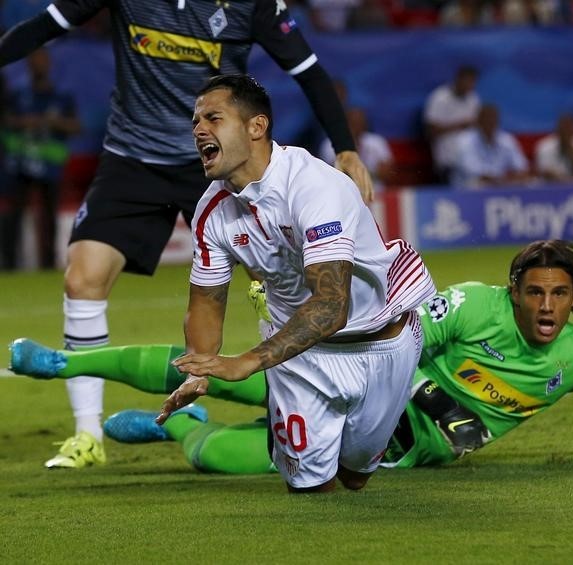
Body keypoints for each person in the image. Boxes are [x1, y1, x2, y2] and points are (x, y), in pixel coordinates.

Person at [0, 0, 373, 469]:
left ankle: (314, 384)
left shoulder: (250, 5)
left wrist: (346, 148)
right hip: (132, 158)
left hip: (220, 164)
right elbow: (43, 27)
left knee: (289, 283)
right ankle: (87, 433)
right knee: (82, 279)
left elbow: (309, 70)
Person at [10, 240, 573, 475]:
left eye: (559, 294)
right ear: (514, 289)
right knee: (226, 366)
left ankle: (168, 429)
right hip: (363, 391)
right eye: (534, 291)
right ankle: (64, 363)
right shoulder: (473, 305)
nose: (545, 306)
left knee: (215, 458)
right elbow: (405, 338)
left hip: (389, 452)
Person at [160, 73, 436, 492]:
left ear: (256, 127)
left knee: (356, 475)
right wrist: (199, 366)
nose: (199, 130)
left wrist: (246, 362)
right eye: (195, 122)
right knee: (310, 485)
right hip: (296, 355)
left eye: (213, 118)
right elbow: (207, 302)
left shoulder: (315, 186)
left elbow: (330, 306)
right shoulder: (211, 211)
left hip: (382, 343)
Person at [1, 47, 80, 270]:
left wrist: (55, 123)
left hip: (49, 163)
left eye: (42, 59)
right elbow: (6, 121)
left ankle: (48, 262)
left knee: (48, 215)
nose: (39, 64)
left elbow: (76, 126)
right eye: (34, 59)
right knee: (13, 213)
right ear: (28, 64)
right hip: (20, 160)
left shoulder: (61, 96)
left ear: (49, 63)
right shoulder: (17, 94)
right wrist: (25, 122)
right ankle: (9, 263)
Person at [423, 65, 481, 184]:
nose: (470, 85)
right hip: (447, 161)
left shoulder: (473, 99)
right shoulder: (439, 98)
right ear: (458, 79)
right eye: (467, 81)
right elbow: (430, 131)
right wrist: (460, 125)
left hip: (471, 163)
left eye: (473, 82)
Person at [449, 103, 530, 189]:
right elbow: (473, 172)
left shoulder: (506, 140)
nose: (490, 123)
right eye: (486, 120)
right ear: (478, 121)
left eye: (493, 120)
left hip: (499, 185)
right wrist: (501, 180)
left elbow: (522, 167)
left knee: (531, 183)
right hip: (467, 189)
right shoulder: (464, 140)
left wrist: (516, 177)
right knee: (476, 183)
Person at [319, 107, 394, 191]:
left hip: (375, 193)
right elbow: (332, 174)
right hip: (344, 191)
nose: (357, 127)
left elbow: (387, 174)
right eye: (353, 123)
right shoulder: (329, 145)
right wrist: (372, 173)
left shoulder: (377, 142)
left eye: (360, 123)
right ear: (345, 124)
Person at [534, 112, 573, 182]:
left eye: (570, 126)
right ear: (558, 127)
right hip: (551, 184)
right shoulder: (545, 144)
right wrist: (560, 178)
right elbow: (542, 170)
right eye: (564, 126)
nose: (567, 129)